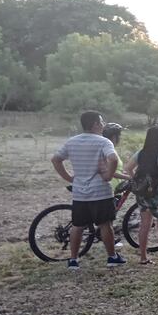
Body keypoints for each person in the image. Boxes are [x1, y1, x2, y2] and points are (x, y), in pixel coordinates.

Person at [51, 111, 126, 270]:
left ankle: (73, 260)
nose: (103, 124)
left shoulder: (72, 142)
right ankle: (112, 257)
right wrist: (108, 176)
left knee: (78, 226)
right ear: (95, 125)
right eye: (101, 122)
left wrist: (69, 177)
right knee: (105, 225)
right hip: (100, 191)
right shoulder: (104, 142)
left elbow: (56, 159)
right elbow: (112, 159)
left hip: (80, 193)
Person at [124, 124, 158, 266]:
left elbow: (128, 168)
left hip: (143, 195)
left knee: (144, 226)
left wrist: (136, 179)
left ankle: (143, 257)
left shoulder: (140, 153)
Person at [102, 123, 131, 249]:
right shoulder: (108, 149)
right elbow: (111, 172)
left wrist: (125, 173)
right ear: (114, 137)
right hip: (110, 188)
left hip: (113, 187)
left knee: (109, 216)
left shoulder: (108, 148)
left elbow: (116, 169)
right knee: (108, 219)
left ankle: (105, 237)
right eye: (119, 135)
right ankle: (109, 241)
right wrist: (128, 177)